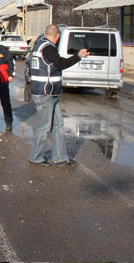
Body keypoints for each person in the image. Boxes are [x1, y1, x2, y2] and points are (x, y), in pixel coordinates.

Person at [29, 24, 89, 166]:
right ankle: (35, 156)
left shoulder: (39, 44)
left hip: (49, 92)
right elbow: (61, 64)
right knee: (44, 127)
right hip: (45, 93)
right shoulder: (48, 47)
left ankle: (60, 157)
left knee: (58, 125)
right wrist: (78, 56)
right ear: (58, 37)